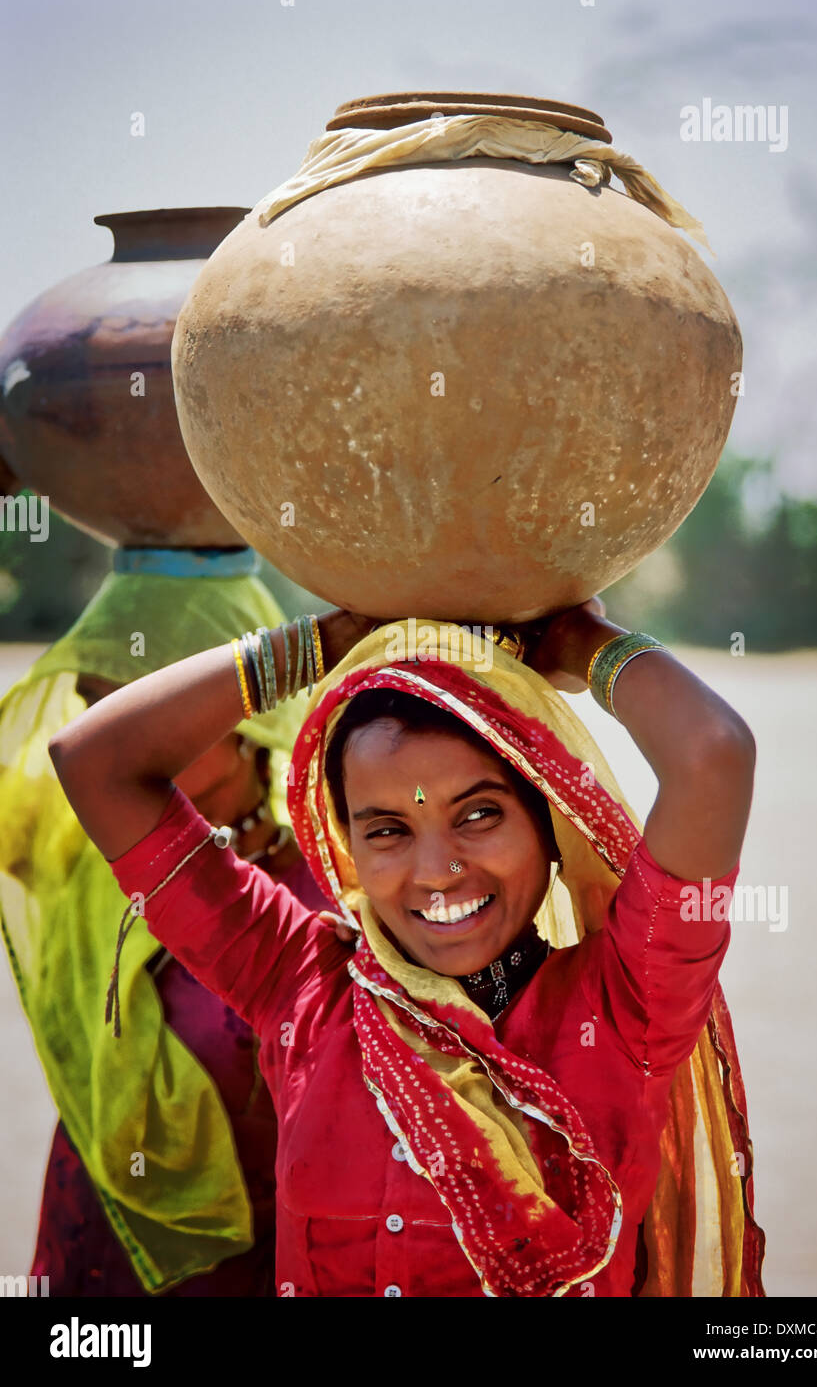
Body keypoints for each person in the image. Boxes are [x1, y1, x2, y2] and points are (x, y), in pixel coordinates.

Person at [48, 600, 766, 1297]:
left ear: (550, 826)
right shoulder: (301, 983)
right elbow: (94, 762)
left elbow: (714, 754)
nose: (436, 870)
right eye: (387, 829)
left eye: (479, 814)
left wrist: (579, 640)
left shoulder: (624, 1008)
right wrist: (328, 642)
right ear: (347, 847)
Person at [0, 546, 366, 1295]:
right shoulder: (77, 849)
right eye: (96, 698)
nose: (118, 723)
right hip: (87, 1254)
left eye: (143, 698)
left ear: (242, 722)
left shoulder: (325, 900)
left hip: (249, 1268)